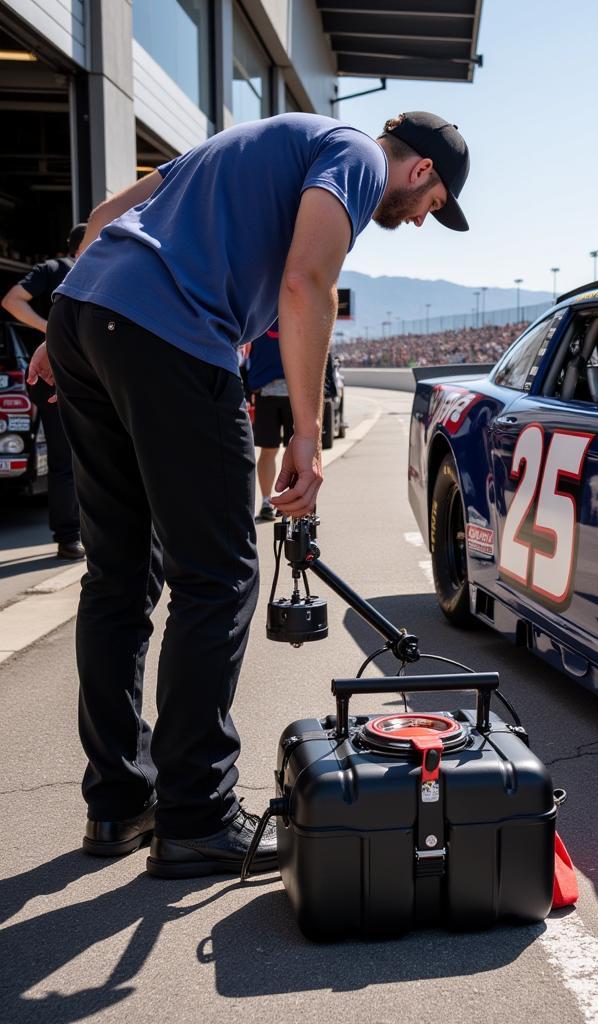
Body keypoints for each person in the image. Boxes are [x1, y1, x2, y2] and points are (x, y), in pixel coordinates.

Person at [28, 111, 470, 877]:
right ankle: (196, 815)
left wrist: (70, 323)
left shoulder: (265, 137)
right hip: (166, 333)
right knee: (220, 576)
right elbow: (307, 282)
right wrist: (306, 432)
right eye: (434, 206)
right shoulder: (359, 158)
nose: (423, 219)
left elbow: (107, 217)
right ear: (421, 170)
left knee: (118, 576)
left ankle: (119, 802)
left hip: (85, 315)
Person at [1, 224, 87, 559]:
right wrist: (51, 329)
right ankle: (69, 535)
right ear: (80, 247)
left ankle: (77, 533)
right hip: (58, 376)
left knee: (80, 459)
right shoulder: (56, 269)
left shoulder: (101, 271)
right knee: (68, 460)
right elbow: (12, 300)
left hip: (84, 376)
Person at [248, 325, 293, 521]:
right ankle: (268, 502)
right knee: (271, 450)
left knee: (286, 449)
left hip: (285, 392)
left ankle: (282, 501)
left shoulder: (260, 309)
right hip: (273, 392)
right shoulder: (261, 311)